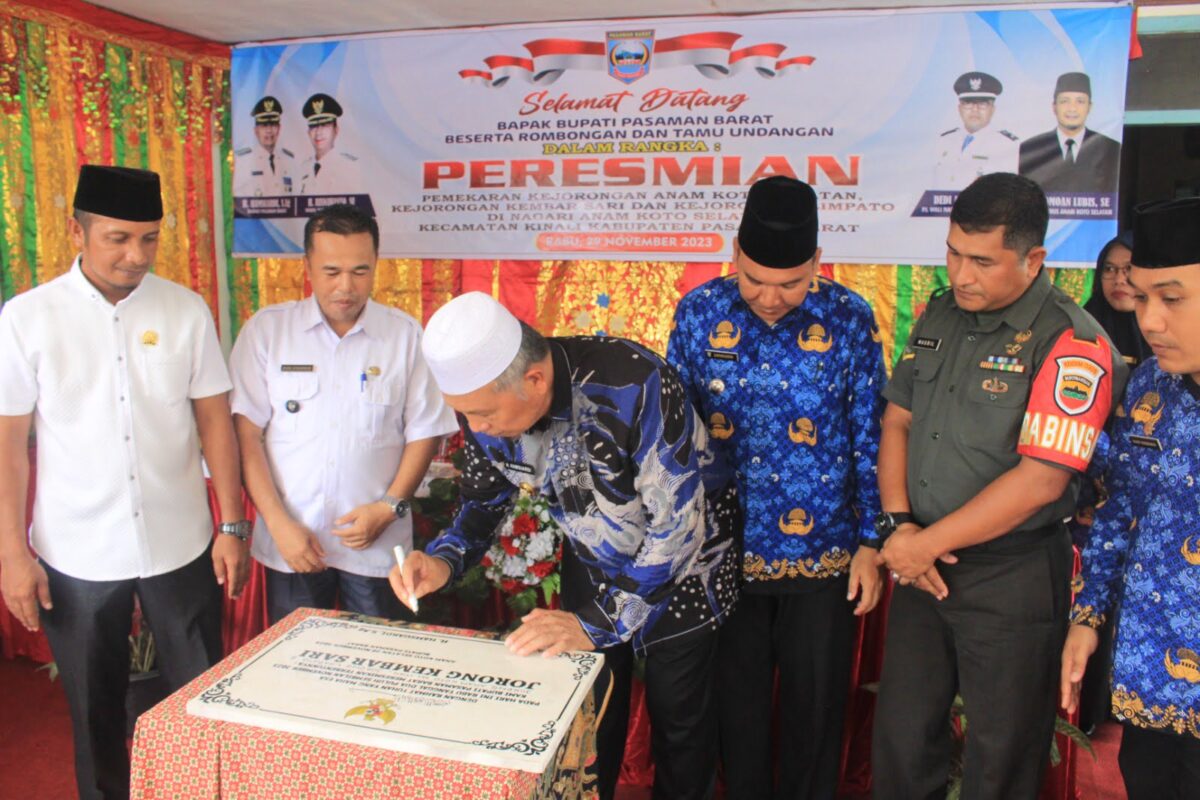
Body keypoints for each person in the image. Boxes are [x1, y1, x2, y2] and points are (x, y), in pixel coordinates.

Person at [390, 292, 741, 800]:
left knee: (680, 724)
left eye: (482, 415)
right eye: (464, 414)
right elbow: (483, 502)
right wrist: (443, 560)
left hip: (687, 572)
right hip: (593, 560)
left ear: (534, 380)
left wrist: (595, 623)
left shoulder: (633, 383)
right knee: (588, 720)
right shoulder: (486, 406)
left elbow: (678, 528)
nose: (476, 428)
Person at [871, 172, 1127, 800]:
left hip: (1011, 577)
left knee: (1002, 759)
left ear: (1033, 259)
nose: (962, 275)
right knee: (902, 746)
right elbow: (899, 420)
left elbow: (1041, 481)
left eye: (982, 261)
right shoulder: (940, 311)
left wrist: (924, 544)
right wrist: (902, 526)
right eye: (954, 253)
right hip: (921, 565)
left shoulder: (1073, 342)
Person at [0, 165, 250, 800]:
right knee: (94, 711)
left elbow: (215, 423)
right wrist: (11, 555)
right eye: (117, 238)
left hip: (181, 542)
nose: (135, 255)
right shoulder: (27, 318)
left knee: (201, 698)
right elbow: (9, 448)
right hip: (76, 551)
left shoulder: (185, 310)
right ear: (76, 231)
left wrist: (231, 525)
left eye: (148, 239)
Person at [666, 175, 886, 799]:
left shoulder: (848, 319)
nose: (769, 298)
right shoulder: (699, 313)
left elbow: (870, 435)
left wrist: (872, 541)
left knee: (815, 714)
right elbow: (673, 432)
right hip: (723, 551)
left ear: (816, 261)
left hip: (823, 553)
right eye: (754, 279)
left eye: (789, 284)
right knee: (736, 713)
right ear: (734, 252)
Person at [230, 203, 456, 624]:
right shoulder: (268, 331)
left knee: (379, 653)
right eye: (331, 272)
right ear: (307, 266)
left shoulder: (404, 336)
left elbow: (425, 431)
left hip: (376, 544)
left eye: (360, 271)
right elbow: (246, 435)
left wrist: (388, 507)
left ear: (376, 264)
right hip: (293, 539)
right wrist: (277, 523)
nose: (346, 287)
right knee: (295, 653)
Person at [1061, 196, 1200, 800]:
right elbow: (1117, 512)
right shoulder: (1148, 387)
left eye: (1172, 299)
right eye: (1141, 299)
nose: (1151, 322)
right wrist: (1088, 618)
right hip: (1152, 672)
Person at [1069, 230, 1150, 734]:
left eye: (1129, 270)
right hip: (1085, 499)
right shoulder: (1078, 333)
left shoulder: (1168, 342)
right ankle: (1088, 708)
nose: (1119, 280)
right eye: (1109, 270)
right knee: (1087, 600)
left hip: (1144, 508)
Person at [1018, 72, 1121, 194]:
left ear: (1090, 107)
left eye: (1080, 101)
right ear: (1054, 107)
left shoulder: (1110, 148)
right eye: (1064, 101)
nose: (1072, 108)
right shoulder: (1031, 148)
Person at [933, 71, 1020, 190]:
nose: (975, 109)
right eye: (968, 103)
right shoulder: (944, 141)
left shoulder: (1007, 145)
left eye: (982, 103)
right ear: (960, 108)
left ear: (992, 109)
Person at [298, 92, 364, 195]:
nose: (318, 132)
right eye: (314, 126)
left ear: (336, 130)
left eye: (325, 125)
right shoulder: (302, 168)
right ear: (308, 132)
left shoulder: (349, 167)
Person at [233, 95, 295, 197]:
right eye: (264, 126)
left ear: (279, 128)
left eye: (273, 125)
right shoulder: (244, 161)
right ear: (256, 131)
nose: (269, 131)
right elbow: (238, 197)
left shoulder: (289, 160)